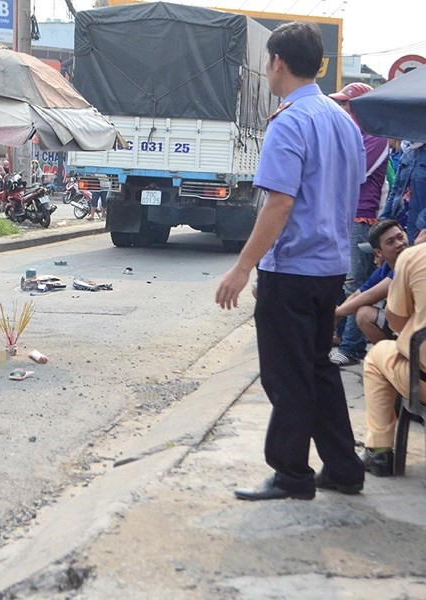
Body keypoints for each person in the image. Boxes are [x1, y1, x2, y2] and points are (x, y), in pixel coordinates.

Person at [215, 22, 366, 500]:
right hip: (331, 267)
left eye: (267, 62)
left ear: (277, 62)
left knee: (287, 375)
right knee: (318, 367)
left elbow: (278, 204)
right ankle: (343, 468)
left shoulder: (290, 122)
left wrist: (242, 268)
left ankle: (292, 475)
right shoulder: (343, 120)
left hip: (294, 270)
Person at [327, 82, 389, 368]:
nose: (344, 109)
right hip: (342, 216)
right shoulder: (350, 134)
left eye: (348, 104)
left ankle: (351, 348)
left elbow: (353, 171)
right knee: (341, 279)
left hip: (361, 219)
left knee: (356, 284)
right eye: (341, 104)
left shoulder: (375, 136)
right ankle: (340, 336)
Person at [361, 240, 426, 476]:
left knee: (377, 356)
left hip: (422, 383)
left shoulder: (414, 257)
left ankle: (379, 452)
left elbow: (396, 321)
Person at [333, 220, 408, 352]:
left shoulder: (409, 263)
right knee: (364, 314)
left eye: (400, 237)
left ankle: (403, 361)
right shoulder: (384, 269)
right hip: (409, 324)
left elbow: (372, 295)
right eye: (390, 242)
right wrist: (337, 314)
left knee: (364, 312)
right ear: (378, 253)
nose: (399, 244)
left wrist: (337, 312)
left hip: (420, 325)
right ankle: (396, 361)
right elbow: (358, 294)